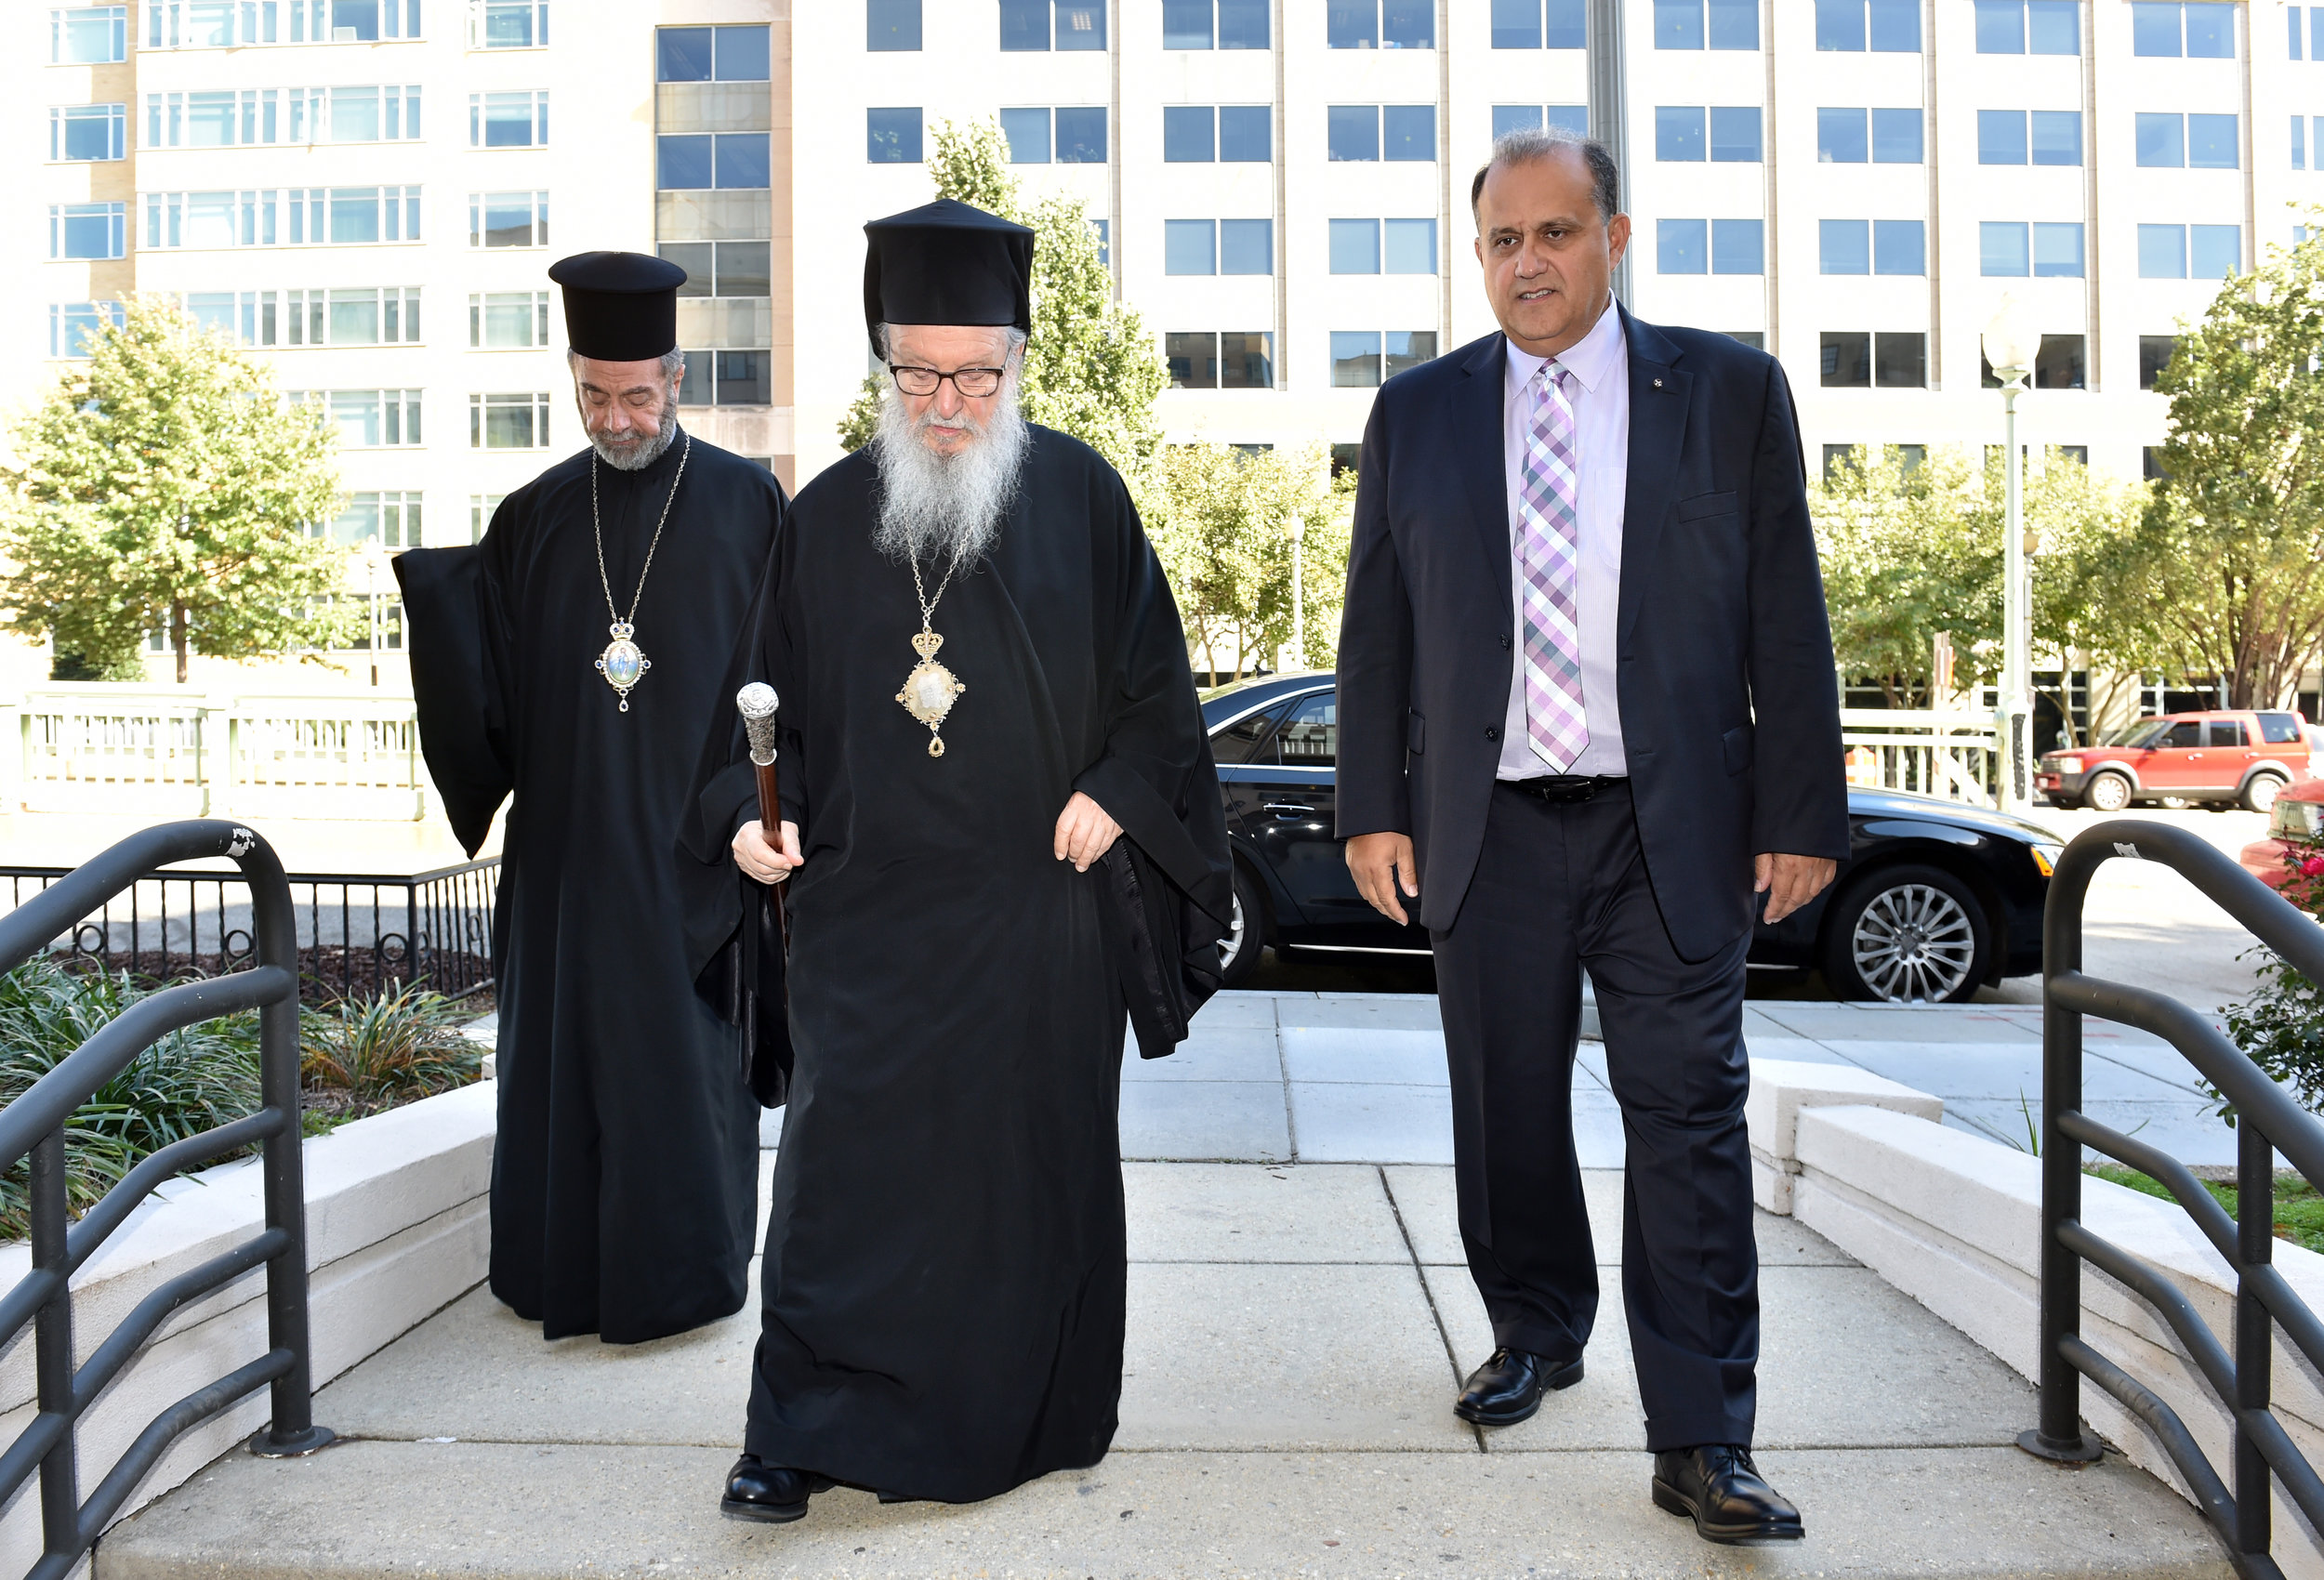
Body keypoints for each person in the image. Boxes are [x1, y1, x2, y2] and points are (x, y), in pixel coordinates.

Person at [1335, 127, 1848, 1545]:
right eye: (1502, 240)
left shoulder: (1729, 395)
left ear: (1616, 238)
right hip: (1484, 830)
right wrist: (1373, 807)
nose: (1528, 263)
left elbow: (1783, 615)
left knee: (1687, 1120)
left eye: (1555, 234)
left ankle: (1703, 1438)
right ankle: (1537, 1327)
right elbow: (1375, 630)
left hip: (1665, 830)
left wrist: (1803, 809)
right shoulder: (1420, 414)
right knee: (1503, 1113)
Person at [690, 199, 1231, 1521]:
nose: (946, 401)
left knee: (1019, 1191)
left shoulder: (1086, 499)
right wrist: (752, 820)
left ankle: (1019, 1418)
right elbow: (760, 718)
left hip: (1037, 926)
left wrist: (1116, 788)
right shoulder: (819, 521)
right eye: (919, 373)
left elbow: (1160, 700)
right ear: (884, 367)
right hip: (866, 921)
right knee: (835, 1187)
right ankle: (795, 1433)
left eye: (976, 373)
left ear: (1017, 362)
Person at [394, 251, 786, 1343]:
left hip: (689, 853)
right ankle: (554, 1271)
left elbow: (784, 674)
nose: (616, 419)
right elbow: (496, 688)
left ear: (676, 379)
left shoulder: (747, 503)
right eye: (595, 396)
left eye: (638, 396)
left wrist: (755, 807)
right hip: (564, 854)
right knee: (558, 1068)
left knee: (678, 1071)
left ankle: (681, 1282)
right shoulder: (536, 514)